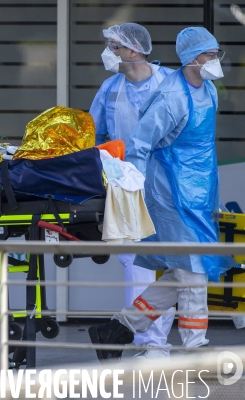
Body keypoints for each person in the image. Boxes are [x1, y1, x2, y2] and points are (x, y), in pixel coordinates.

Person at [88, 27, 233, 361]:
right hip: (168, 193)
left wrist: (211, 194)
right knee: (192, 270)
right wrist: (131, 188)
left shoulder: (208, 90)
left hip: (196, 192)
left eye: (216, 54)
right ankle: (196, 346)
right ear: (191, 58)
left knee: (179, 272)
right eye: (210, 55)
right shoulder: (171, 97)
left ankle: (118, 327)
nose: (215, 60)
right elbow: (139, 143)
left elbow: (204, 151)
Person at [89, 23, 174, 359]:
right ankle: (146, 344)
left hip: (168, 185)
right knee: (135, 264)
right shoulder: (110, 89)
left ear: (134, 51)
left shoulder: (170, 83)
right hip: (126, 186)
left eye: (114, 47)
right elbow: (94, 138)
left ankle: (156, 344)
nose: (108, 54)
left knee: (170, 263)